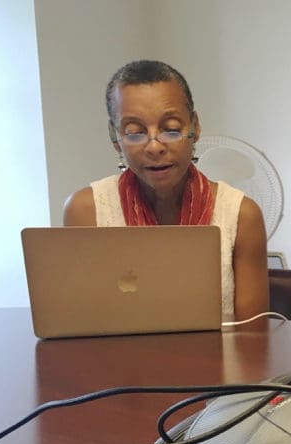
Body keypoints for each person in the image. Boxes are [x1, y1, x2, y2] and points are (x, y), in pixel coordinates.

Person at [63, 59, 269, 323]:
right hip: (119, 364)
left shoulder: (241, 215)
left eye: (170, 129)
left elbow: (253, 338)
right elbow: (80, 327)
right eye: (134, 132)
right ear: (115, 139)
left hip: (219, 363)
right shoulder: (86, 211)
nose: (154, 147)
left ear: (195, 127)